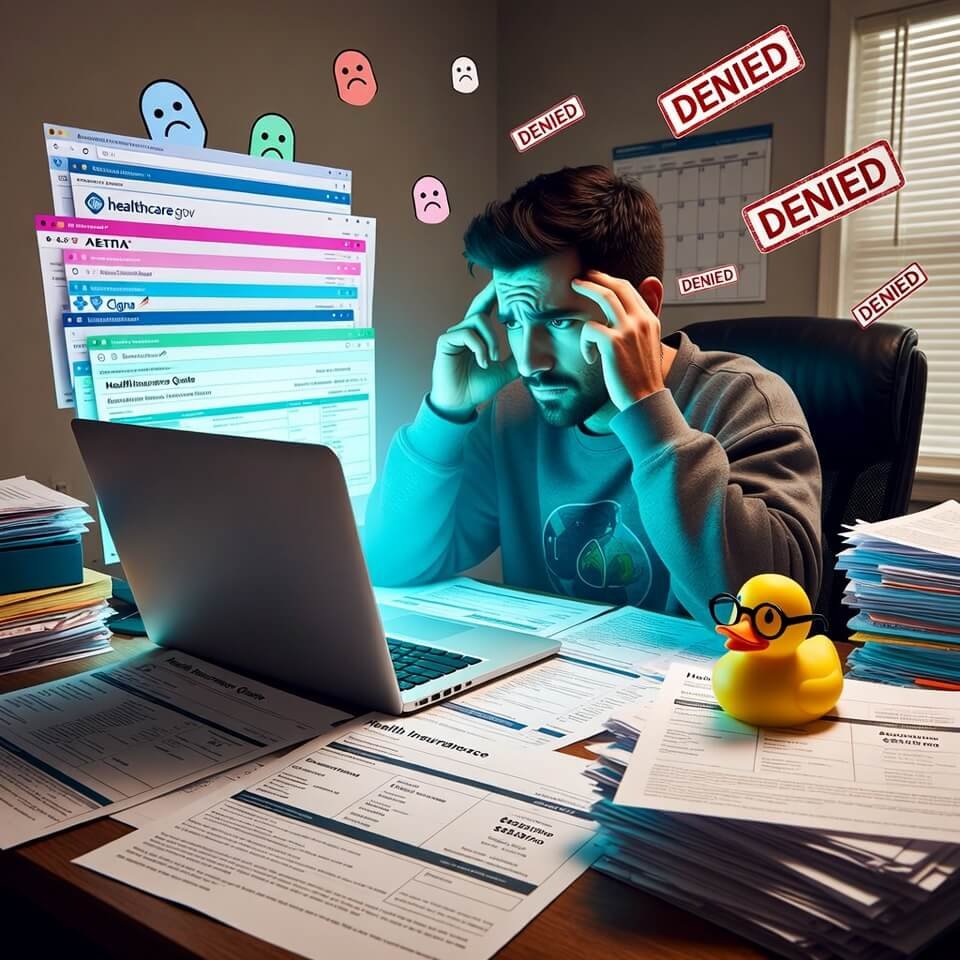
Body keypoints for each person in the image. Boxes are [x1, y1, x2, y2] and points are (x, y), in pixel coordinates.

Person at [362, 165, 822, 626]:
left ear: (646, 306)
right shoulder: (515, 412)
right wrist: (445, 413)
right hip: (552, 689)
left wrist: (648, 415)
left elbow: (771, 615)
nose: (528, 361)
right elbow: (392, 563)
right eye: (513, 322)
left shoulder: (741, 400)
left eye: (558, 322)